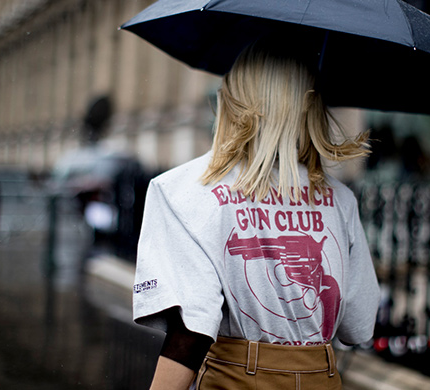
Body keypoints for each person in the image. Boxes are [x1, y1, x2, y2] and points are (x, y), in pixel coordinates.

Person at [132, 39, 380, 389]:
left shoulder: (181, 191)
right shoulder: (340, 200)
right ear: (308, 106)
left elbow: (191, 329)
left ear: (232, 99)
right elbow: (359, 326)